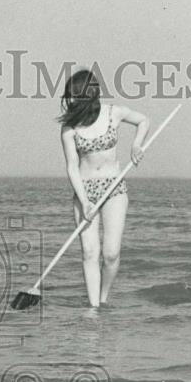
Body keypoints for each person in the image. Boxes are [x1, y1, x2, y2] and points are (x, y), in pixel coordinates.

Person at [59, 69, 150, 307]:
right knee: (89, 252)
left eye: (75, 96)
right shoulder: (69, 129)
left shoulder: (113, 112)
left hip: (114, 189)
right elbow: (72, 167)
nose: (71, 102)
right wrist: (84, 200)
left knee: (111, 254)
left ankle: (103, 298)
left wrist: (137, 146)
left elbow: (143, 121)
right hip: (84, 191)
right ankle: (93, 308)